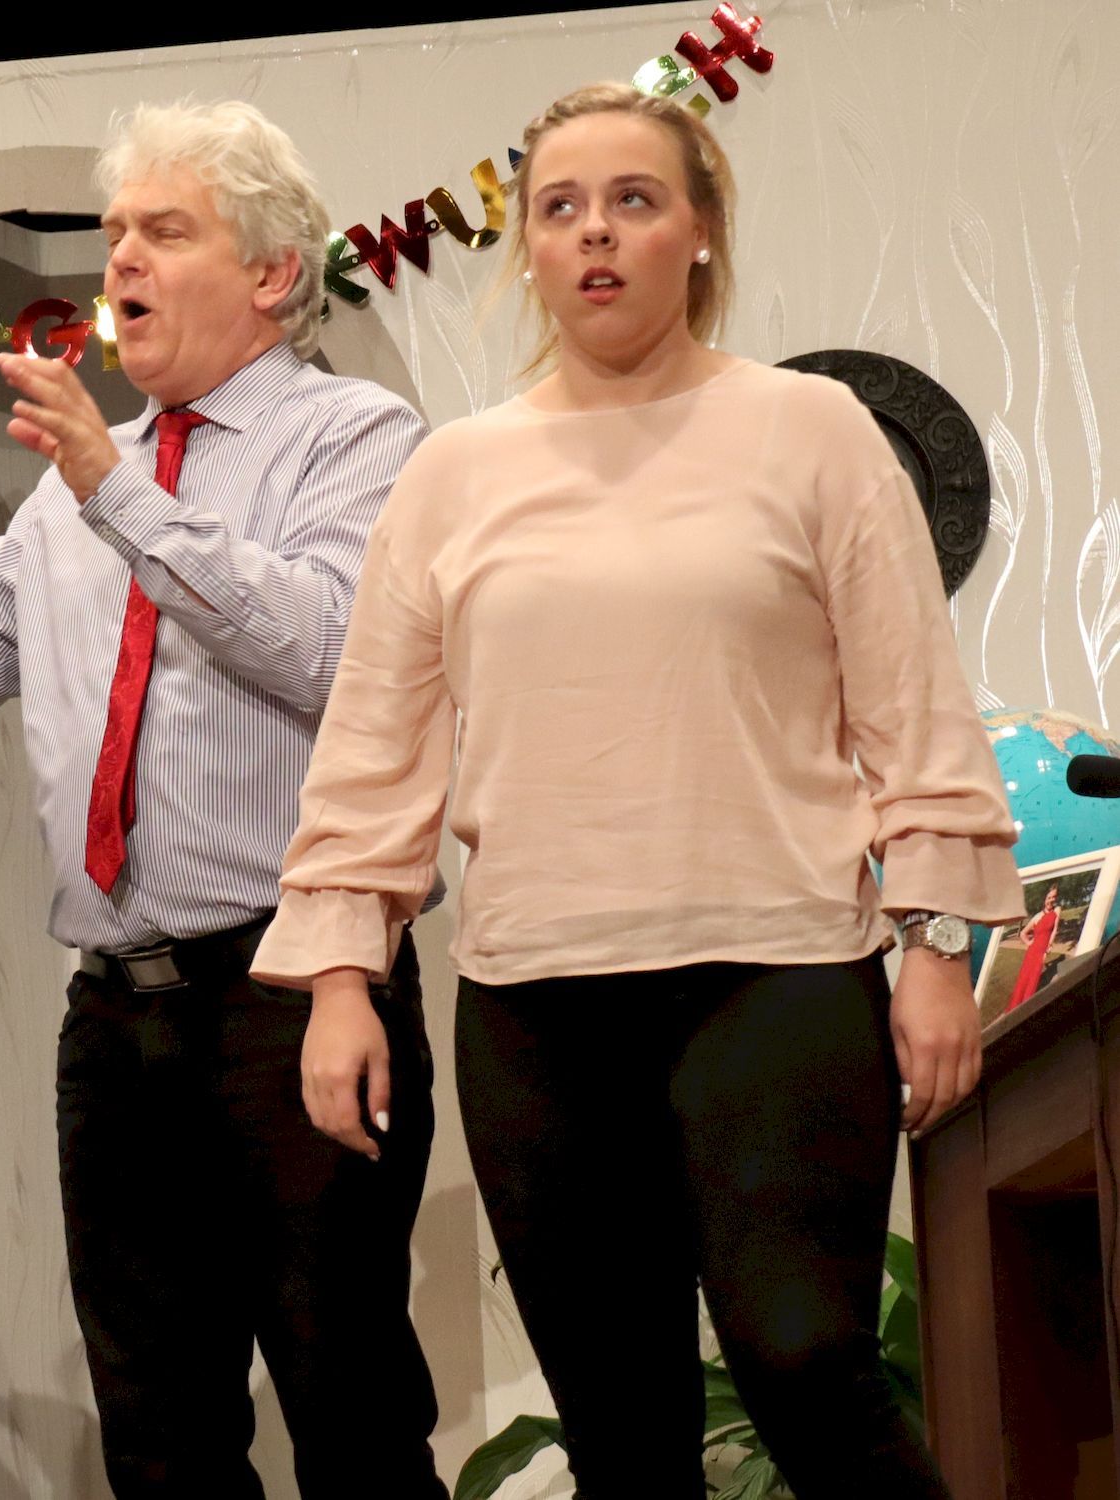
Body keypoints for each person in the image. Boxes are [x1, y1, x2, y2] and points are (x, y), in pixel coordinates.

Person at [251, 81, 1021, 1500]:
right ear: (530, 249)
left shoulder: (813, 431)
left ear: (699, 232)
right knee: (622, 1434)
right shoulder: (454, 473)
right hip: (536, 1006)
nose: (593, 232)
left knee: (806, 1363)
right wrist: (342, 980)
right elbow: (373, 745)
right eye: (559, 208)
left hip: (777, 975)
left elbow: (910, 704)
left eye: (632, 200)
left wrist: (929, 943)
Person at [0, 100, 444, 1499]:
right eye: (116, 229)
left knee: (352, 1421)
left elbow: (324, 650)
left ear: (272, 274)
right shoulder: (79, 482)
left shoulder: (353, 436)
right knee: (159, 1440)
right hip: (114, 1022)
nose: (120, 255)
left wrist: (115, 488)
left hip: (295, 993)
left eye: (163, 231)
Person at [1006, 883, 1062, 1011]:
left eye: (1054, 897)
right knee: (1024, 979)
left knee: (1034, 980)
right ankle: (1015, 1008)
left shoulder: (1057, 910)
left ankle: (1025, 1009)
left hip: (1042, 952)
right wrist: (1029, 943)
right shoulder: (1037, 916)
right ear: (1044, 899)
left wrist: (1048, 948)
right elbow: (1022, 933)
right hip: (1032, 951)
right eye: (1049, 897)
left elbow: (1054, 930)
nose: (1051, 900)